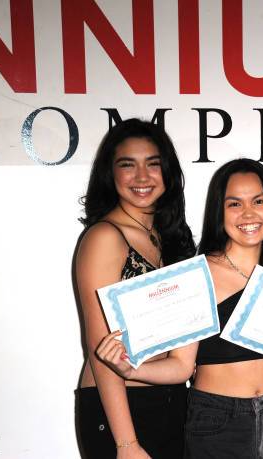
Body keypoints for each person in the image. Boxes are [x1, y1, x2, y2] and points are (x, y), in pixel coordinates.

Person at [97, 158, 263, 458]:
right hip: (218, 421)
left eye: (259, 201)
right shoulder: (195, 275)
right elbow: (181, 367)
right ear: (220, 211)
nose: (248, 213)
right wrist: (131, 368)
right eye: (234, 204)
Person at [74, 118, 196, 459]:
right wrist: (126, 443)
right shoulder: (105, 237)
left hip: (171, 400)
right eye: (128, 166)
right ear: (110, 175)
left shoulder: (169, 238)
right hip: (121, 408)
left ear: (167, 173)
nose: (142, 177)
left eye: (152, 165)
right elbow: (101, 350)